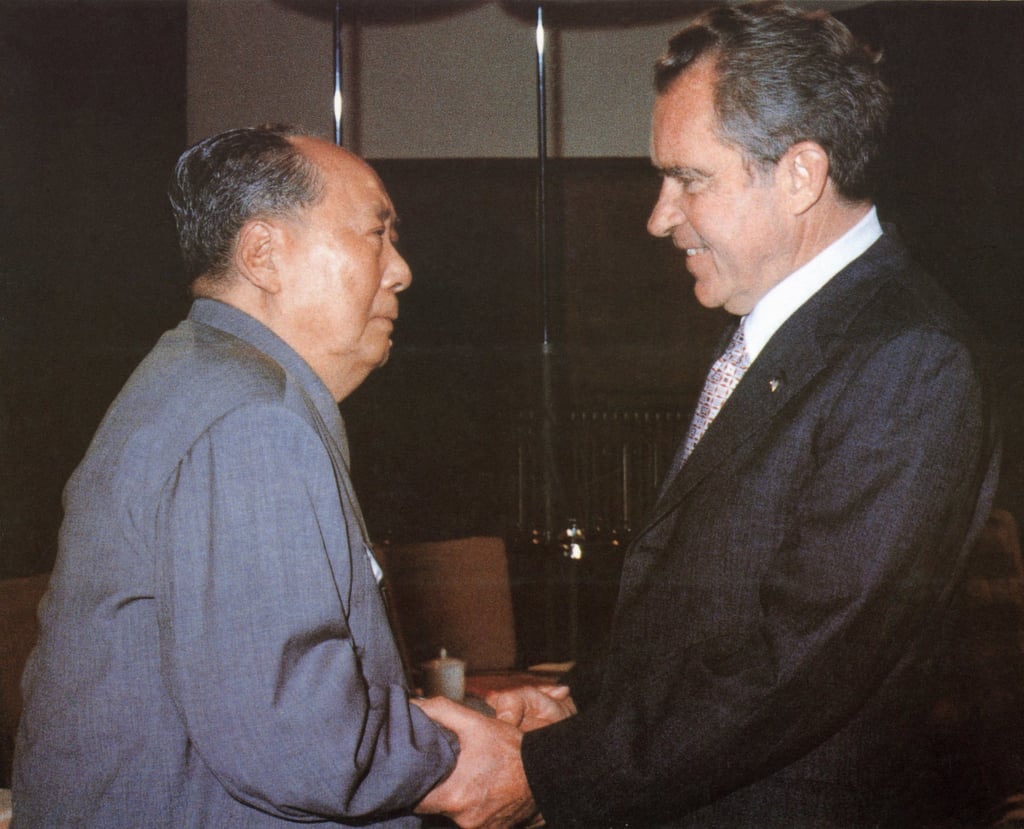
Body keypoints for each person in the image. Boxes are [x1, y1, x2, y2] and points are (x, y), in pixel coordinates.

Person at [415, 3, 1002, 827]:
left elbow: (801, 662)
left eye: (689, 178)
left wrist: (550, 772)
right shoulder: (785, 330)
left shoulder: (908, 358)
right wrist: (580, 704)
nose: (659, 216)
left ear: (800, 174)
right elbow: (704, 610)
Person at [13, 125, 459, 827]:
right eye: (377, 234)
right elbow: (300, 744)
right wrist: (461, 751)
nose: (400, 269)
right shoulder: (254, 419)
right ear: (263, 254)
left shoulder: (200, 374)